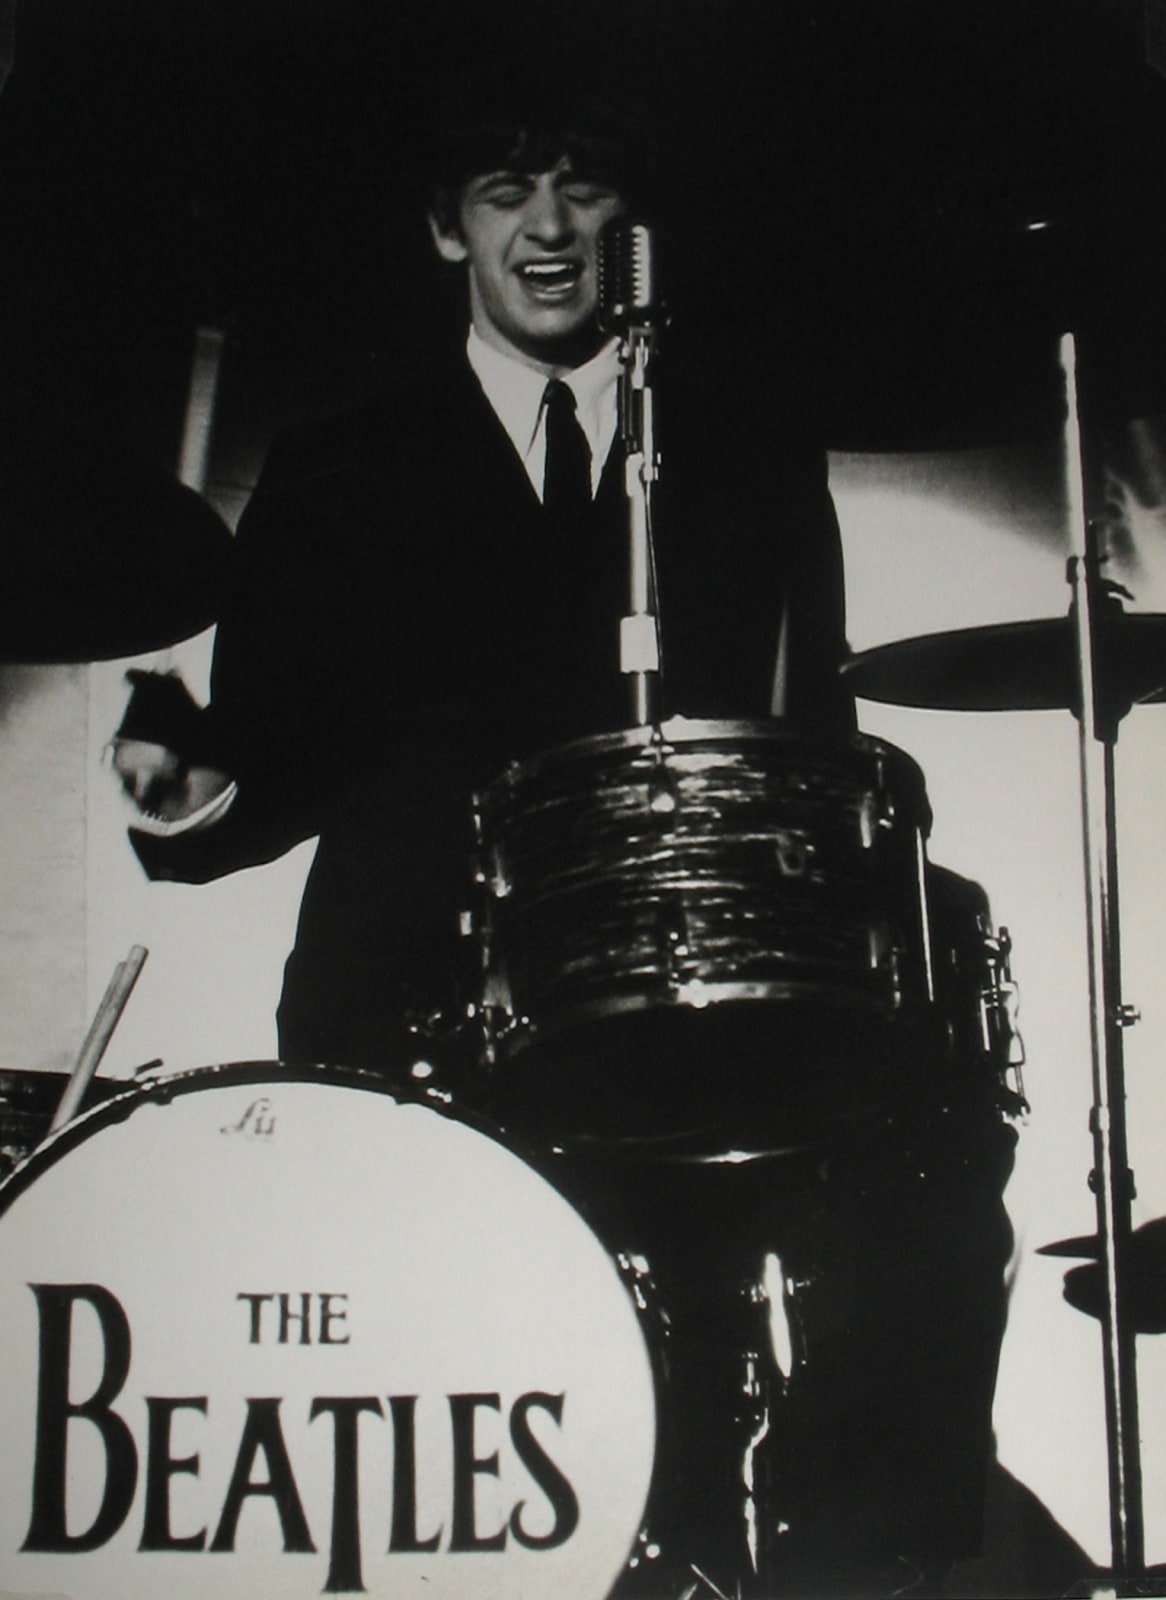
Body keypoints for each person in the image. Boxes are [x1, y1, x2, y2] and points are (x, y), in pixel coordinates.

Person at [110, 93, 853, 1075]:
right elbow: (272, 766)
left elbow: (809, 750)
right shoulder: (334, 469)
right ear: (444, 227)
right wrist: (188, 790)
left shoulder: (753, 459)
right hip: (396, 1024)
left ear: (634, 225)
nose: (549, 227)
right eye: (506, 193)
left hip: (680, 1028)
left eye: (583, 189)